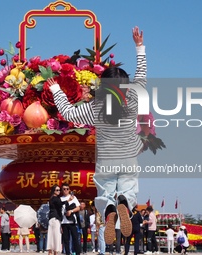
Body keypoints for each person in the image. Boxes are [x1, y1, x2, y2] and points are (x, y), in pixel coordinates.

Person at [47, 26, 146, 242]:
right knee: (128, 190)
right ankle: (124, 204)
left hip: (107, 159)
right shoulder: (134, 100)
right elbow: (142, 78)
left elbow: (67, 112)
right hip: (128, 156)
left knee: (104, 192)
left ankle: (109, 209)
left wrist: (56, 90)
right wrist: (139, 48)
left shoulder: (96, 107)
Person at [60, 183, 81, 255]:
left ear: (69, 190)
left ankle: (78, 253)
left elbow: (78, 207)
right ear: (62, 190)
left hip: (72, 221)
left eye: (67, 189)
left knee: (75, 238)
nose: (65, 190)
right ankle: (67, 253)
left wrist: (71, 211)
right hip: (63, 222)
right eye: (64, 189)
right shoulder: (60, 199)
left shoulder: (73, 198)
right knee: (66, 240)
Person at [47, 184, 64, 255]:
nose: (59, 191)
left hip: (52, 219)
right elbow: (60, 204)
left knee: (51, 235)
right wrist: (68, 201)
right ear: (53, 191)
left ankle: (51, 251)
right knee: (56, 235)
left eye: (59, 190)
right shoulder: (55, 199)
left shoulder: (51, 199)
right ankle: (55, 252)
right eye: (57, 190)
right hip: (55, 218)